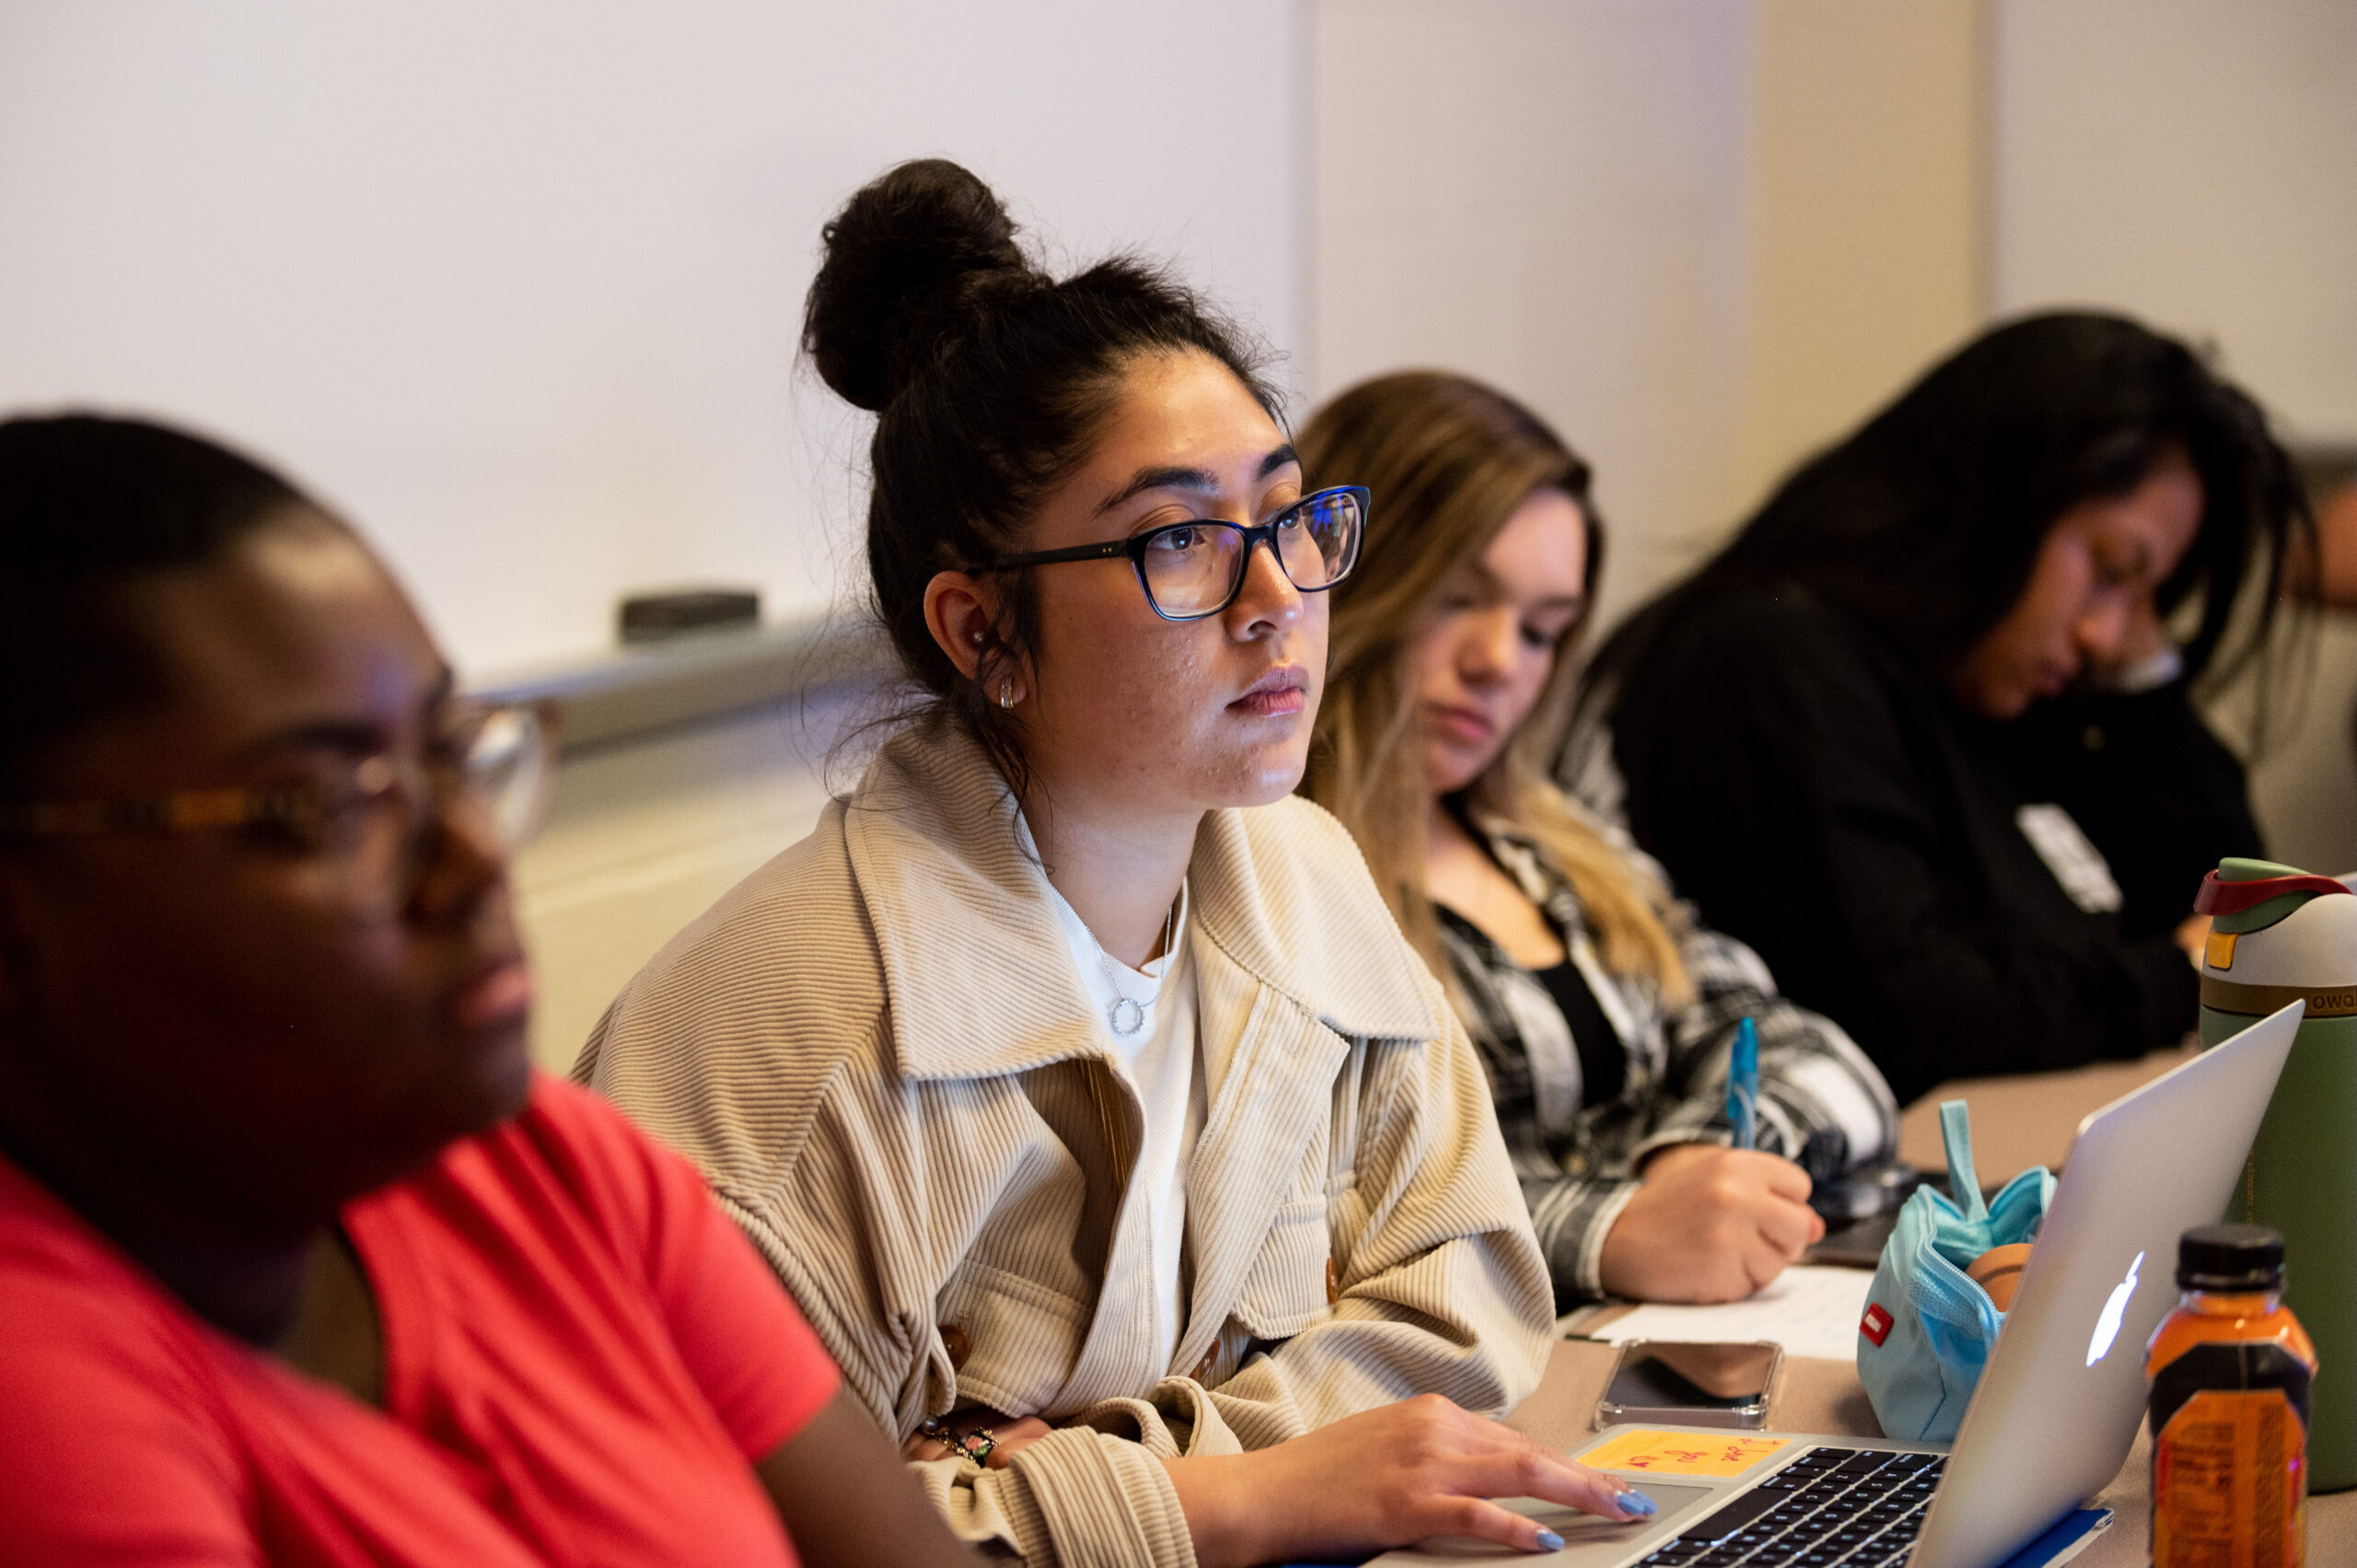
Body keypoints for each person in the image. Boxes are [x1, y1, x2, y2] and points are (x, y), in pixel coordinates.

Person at [576, 160, 1654, 1568]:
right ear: (981, 631)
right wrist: (1241, 1492)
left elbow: (1470, 1295)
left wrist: (1112, 1475)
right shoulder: (787, 1043)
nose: (1280, 602)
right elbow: (698, 1536)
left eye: (1287, 514)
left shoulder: (1300, 869)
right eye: (1185, 541)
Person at [0, 414, 981, 1567]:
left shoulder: (540, 1163)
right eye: (325, 805)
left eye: (451, 753)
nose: (471, 862)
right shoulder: (44, 1403)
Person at [1573, 312, 2312, 1105]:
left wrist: (2148, 682)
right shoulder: (1768, 664)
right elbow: (1904, 1010)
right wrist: (2178, 974)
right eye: (2107, 568)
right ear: (2000, 501)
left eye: (2147, 596)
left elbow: (2239, 916)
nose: (2109, 633)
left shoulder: (2007, 687)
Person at [1296, 370, 1897, 1307]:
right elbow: (1305, 1216)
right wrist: (1611, 1230)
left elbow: (1817, 1058)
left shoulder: (1559, 842)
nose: (1498, 662)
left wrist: (1701, 1157)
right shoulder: (1267, 869)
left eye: (1543, 631)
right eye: (1458, 597)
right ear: (1343, 576)